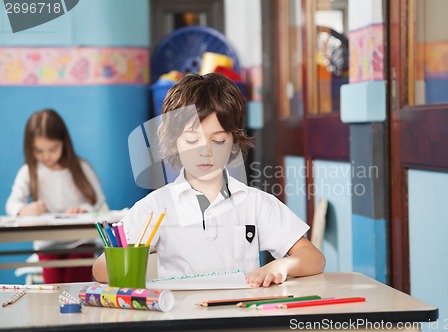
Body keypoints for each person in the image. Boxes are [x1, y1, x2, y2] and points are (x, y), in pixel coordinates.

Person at [93, 73, 325, 288]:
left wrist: (282, 265)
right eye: (193, 141)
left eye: (219, 141)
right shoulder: (155, 207)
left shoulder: (255, 203)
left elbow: (314, 258)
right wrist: (130, 259)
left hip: (241, 315)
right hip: (179, 317)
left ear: (234, 141)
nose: (205, 152)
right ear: (175, 143)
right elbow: (100, 269)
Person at [6, 109, 107, 283]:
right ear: (30, 149)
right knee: (54, 291)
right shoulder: (29, 172)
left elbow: (99, 203)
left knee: (76, 286)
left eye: (53, 149)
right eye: (38, 151)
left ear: (64, 143)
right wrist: (25, 210)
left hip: (80, 243)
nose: (46, 156)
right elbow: (12, 203)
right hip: (48, 245)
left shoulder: (81, 168)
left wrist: (82, 210)